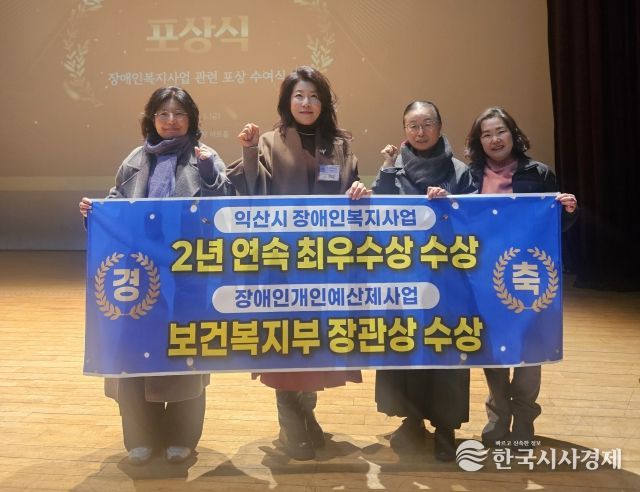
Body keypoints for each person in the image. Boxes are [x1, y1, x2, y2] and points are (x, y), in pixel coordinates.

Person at [79, 86, 235, 465]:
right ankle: (140, 436)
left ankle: (182, 436)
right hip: (138, 274)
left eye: (179, 113)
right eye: (163, 114)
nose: (170, 120)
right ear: (151, 119)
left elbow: (226, 208)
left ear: (191, 119)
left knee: (185, 353)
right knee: (133, 352)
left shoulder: (205, 157)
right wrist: (95, 212)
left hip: (188, 275)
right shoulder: (135, 159)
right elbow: (117, 203)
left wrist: (210, 175)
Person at [227, 66, 370, 461]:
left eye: (314, 96)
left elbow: (350, 191)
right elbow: (253, 194)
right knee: (286, 346)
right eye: (299, 96)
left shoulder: (339, 145)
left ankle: (307, 416)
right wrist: (249, 151)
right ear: (287, 102)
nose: (307, 103)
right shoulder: (269, 142)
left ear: (324, 103)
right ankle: (292, 425)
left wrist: (360, 190)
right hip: (282, 266)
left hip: (327, 265)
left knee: (317, 347)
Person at [464, 106, 578, 448]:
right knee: (493, 348)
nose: (494, 139)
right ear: (478, 141)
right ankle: (498, 414)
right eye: (486, 134)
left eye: (500, 131)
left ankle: (525, 415)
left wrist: (568, 210)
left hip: (530, 275)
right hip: (484, 275)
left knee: (531, 346)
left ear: (513, 134)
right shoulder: (468, 176)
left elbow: (553, 226)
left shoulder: (539, 173)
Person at [371, 100, 477, 461]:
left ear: (440, 126)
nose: (420, 132)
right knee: (405, 349)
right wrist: (385, 171)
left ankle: (446, 428)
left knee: (446, 352)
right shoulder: (393, 168)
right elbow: (377, 214)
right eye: (413, 125)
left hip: (448, 281)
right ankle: (411, 421)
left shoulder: (459, 171)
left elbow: (474, 220)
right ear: (404, 130)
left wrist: (451, 205)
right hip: (402, 279)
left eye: (427, 124)